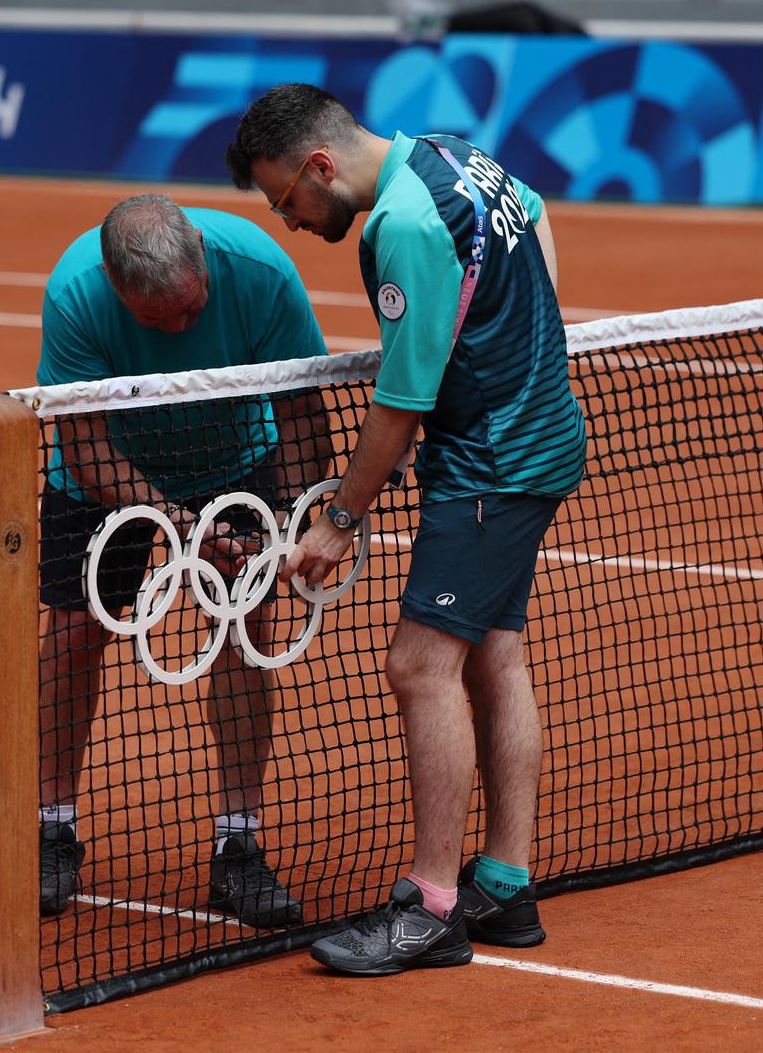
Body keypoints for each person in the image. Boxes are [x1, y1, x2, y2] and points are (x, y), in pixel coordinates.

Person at [226, 85, 586, 974]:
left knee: (418, 667)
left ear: (319, 166)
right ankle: (501, 883)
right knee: (494, 658)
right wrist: (526, 340)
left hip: (488, 466)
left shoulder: (404, 225)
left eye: (286, 201)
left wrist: (339, 522)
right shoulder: (450, 152)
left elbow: (401, 400)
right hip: (537, 437)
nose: (293, 221)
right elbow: (534, 219)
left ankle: (429, 908)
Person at [36, 194, 330, 928]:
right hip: (105, 473)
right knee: (74, 634)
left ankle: (238, 847)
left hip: (232, 455)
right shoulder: (75, 293)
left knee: (244, 630)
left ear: (201, 259)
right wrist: (179, 525)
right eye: (152, 321)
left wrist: (283, 530)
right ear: (112, 283)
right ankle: (50, 827)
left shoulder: (263, 273)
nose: (174, 329)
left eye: (188, 313)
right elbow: (85, 446)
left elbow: (299, 417)